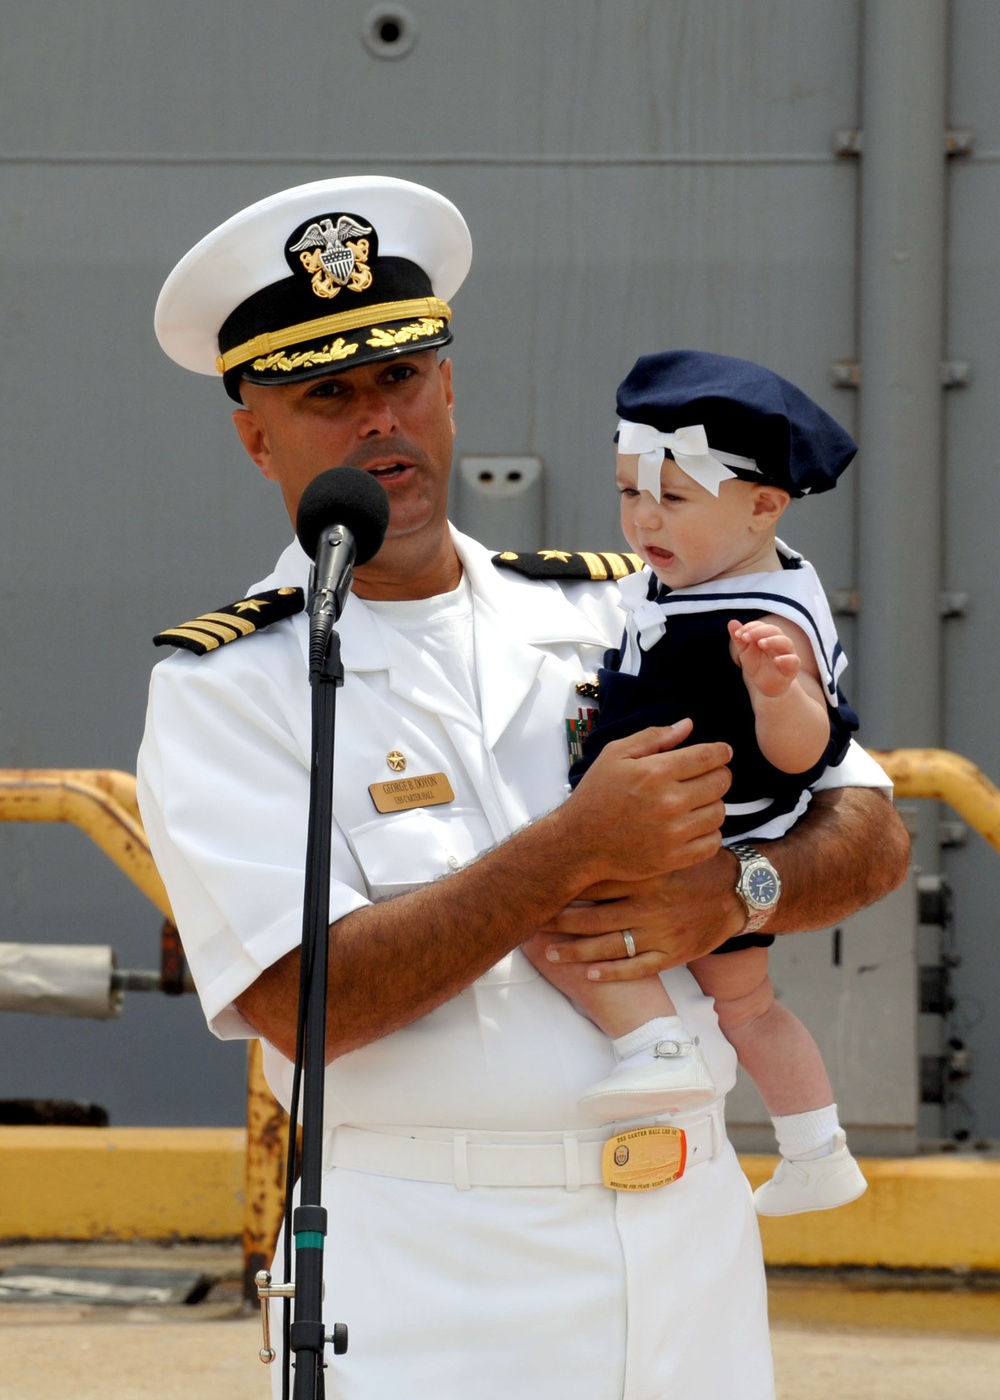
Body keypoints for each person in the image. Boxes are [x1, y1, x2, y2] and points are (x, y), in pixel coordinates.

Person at [136, 175, 910, 1400]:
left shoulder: (626, 596)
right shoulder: (235, 682)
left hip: (685, 1235)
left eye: (399, 377)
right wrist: (568, 848)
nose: (375, 420)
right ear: (256, 433)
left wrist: (731, 891)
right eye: (324, 394)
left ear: (446, 385)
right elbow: (303, 1002)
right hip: (431, 1259)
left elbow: (865, 827)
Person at [524, 350, 867, 1218]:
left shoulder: (756, 620)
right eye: (629, 493)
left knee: (542, 914)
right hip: (705, 832)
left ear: (764, 505)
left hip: (684, 834)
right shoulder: (726, 575)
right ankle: (817, 1148)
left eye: (672, 498)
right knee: (750, 1008)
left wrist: (778, 693)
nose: (642, 520)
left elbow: (808, 755)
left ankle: (655, 1045)